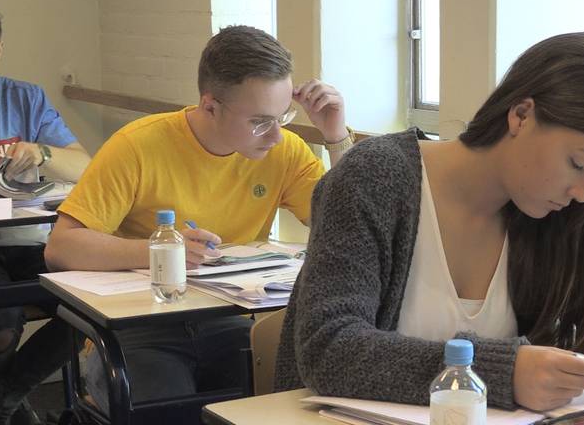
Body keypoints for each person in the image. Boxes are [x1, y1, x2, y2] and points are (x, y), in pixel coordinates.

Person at [274, 32, 584, 412]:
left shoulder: (551, 218)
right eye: (578, 163)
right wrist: (502, 373)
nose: (583, 192)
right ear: (521, 115)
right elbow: (328, 349)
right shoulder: (377, 178)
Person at [43, 25, 353, 412]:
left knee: (287, 401)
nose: (275, 136)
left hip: (232, 320)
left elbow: (348, 225)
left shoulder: (284, 150)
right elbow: (61, 247)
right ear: (210, 106)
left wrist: (336, 135)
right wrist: (161, 249)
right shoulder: (137, 145)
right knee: (172, 407)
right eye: (259, 121)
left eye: (282, 117)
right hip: (139, 330)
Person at [0, 0, 91, 424]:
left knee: (93, 305)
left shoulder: (26, 98)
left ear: (0, 50)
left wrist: (43, 152)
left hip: (30, 236)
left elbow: (85, 166)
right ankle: (6, 402)